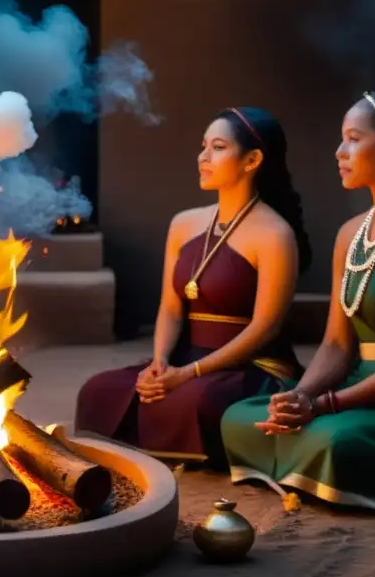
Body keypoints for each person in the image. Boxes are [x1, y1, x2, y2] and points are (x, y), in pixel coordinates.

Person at [222, 89, 375, 513]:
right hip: (357, 386)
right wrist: (301, 396)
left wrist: (325, 406)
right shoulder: (350, 233)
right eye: (342, 139)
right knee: (240, 419)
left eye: (354, 139)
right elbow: (338, 344)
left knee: (335, 440)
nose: (340, 151)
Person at [75, 107, 309, 465]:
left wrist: (188, 375)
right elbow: (170, 306)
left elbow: (265, 328)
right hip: (185, 356)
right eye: (203, 146)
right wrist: (160, 363)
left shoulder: (275, 234)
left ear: (252, 159)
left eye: (217, 147)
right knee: (98, 391)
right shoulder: (184, 223)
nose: (203, 157)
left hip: (249, 364)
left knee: (192, 400)